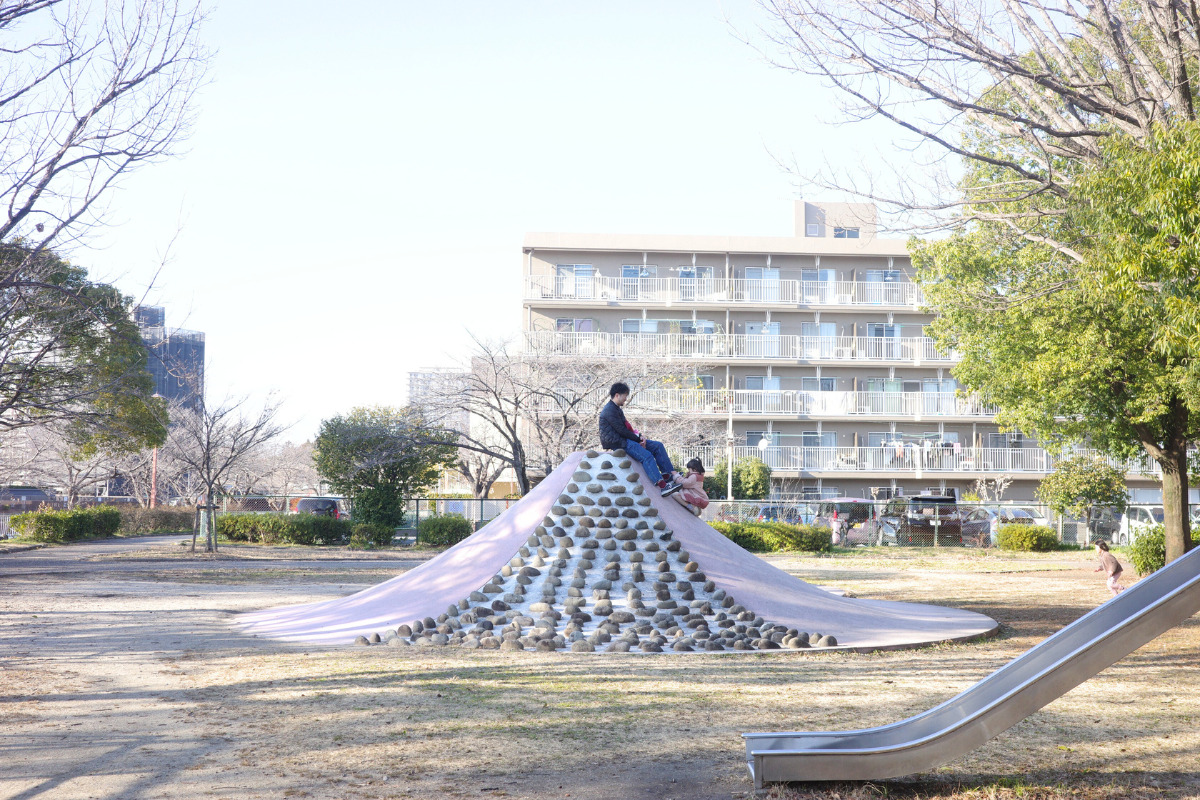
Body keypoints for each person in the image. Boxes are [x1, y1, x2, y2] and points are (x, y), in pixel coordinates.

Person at [599, 382, 682, 497]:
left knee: (658, 446)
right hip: (618, 442)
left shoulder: (616, 409)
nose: (626, 399)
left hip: (626, 438)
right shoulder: (609, 410)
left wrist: (640, 436)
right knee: (646, 456)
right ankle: (663, 486)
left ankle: (667, 475)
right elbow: (621, 430)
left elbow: (627, 427)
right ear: (617, 395)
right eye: (625, 396)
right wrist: (638, 440)